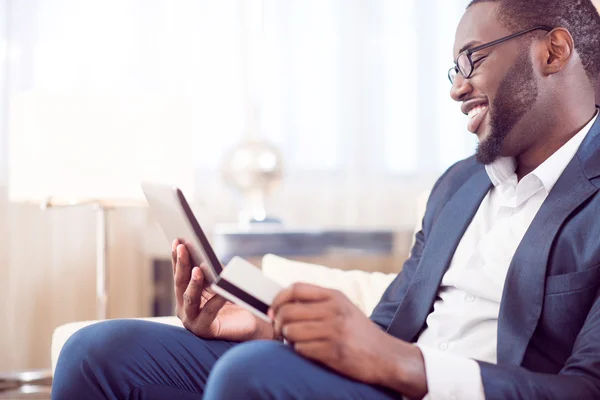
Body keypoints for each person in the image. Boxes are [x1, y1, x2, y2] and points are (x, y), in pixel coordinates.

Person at [52, 0, 600, 398]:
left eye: (472, 58)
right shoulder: (458, 186)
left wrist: (409, 367)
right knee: (98, 353)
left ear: (553, 50)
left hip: (450, 389)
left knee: (249, 377)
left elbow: (587, 387)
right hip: (386, 382)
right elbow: (386, 329)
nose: (456, 88)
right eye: (453, 69)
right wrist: (271, 327)